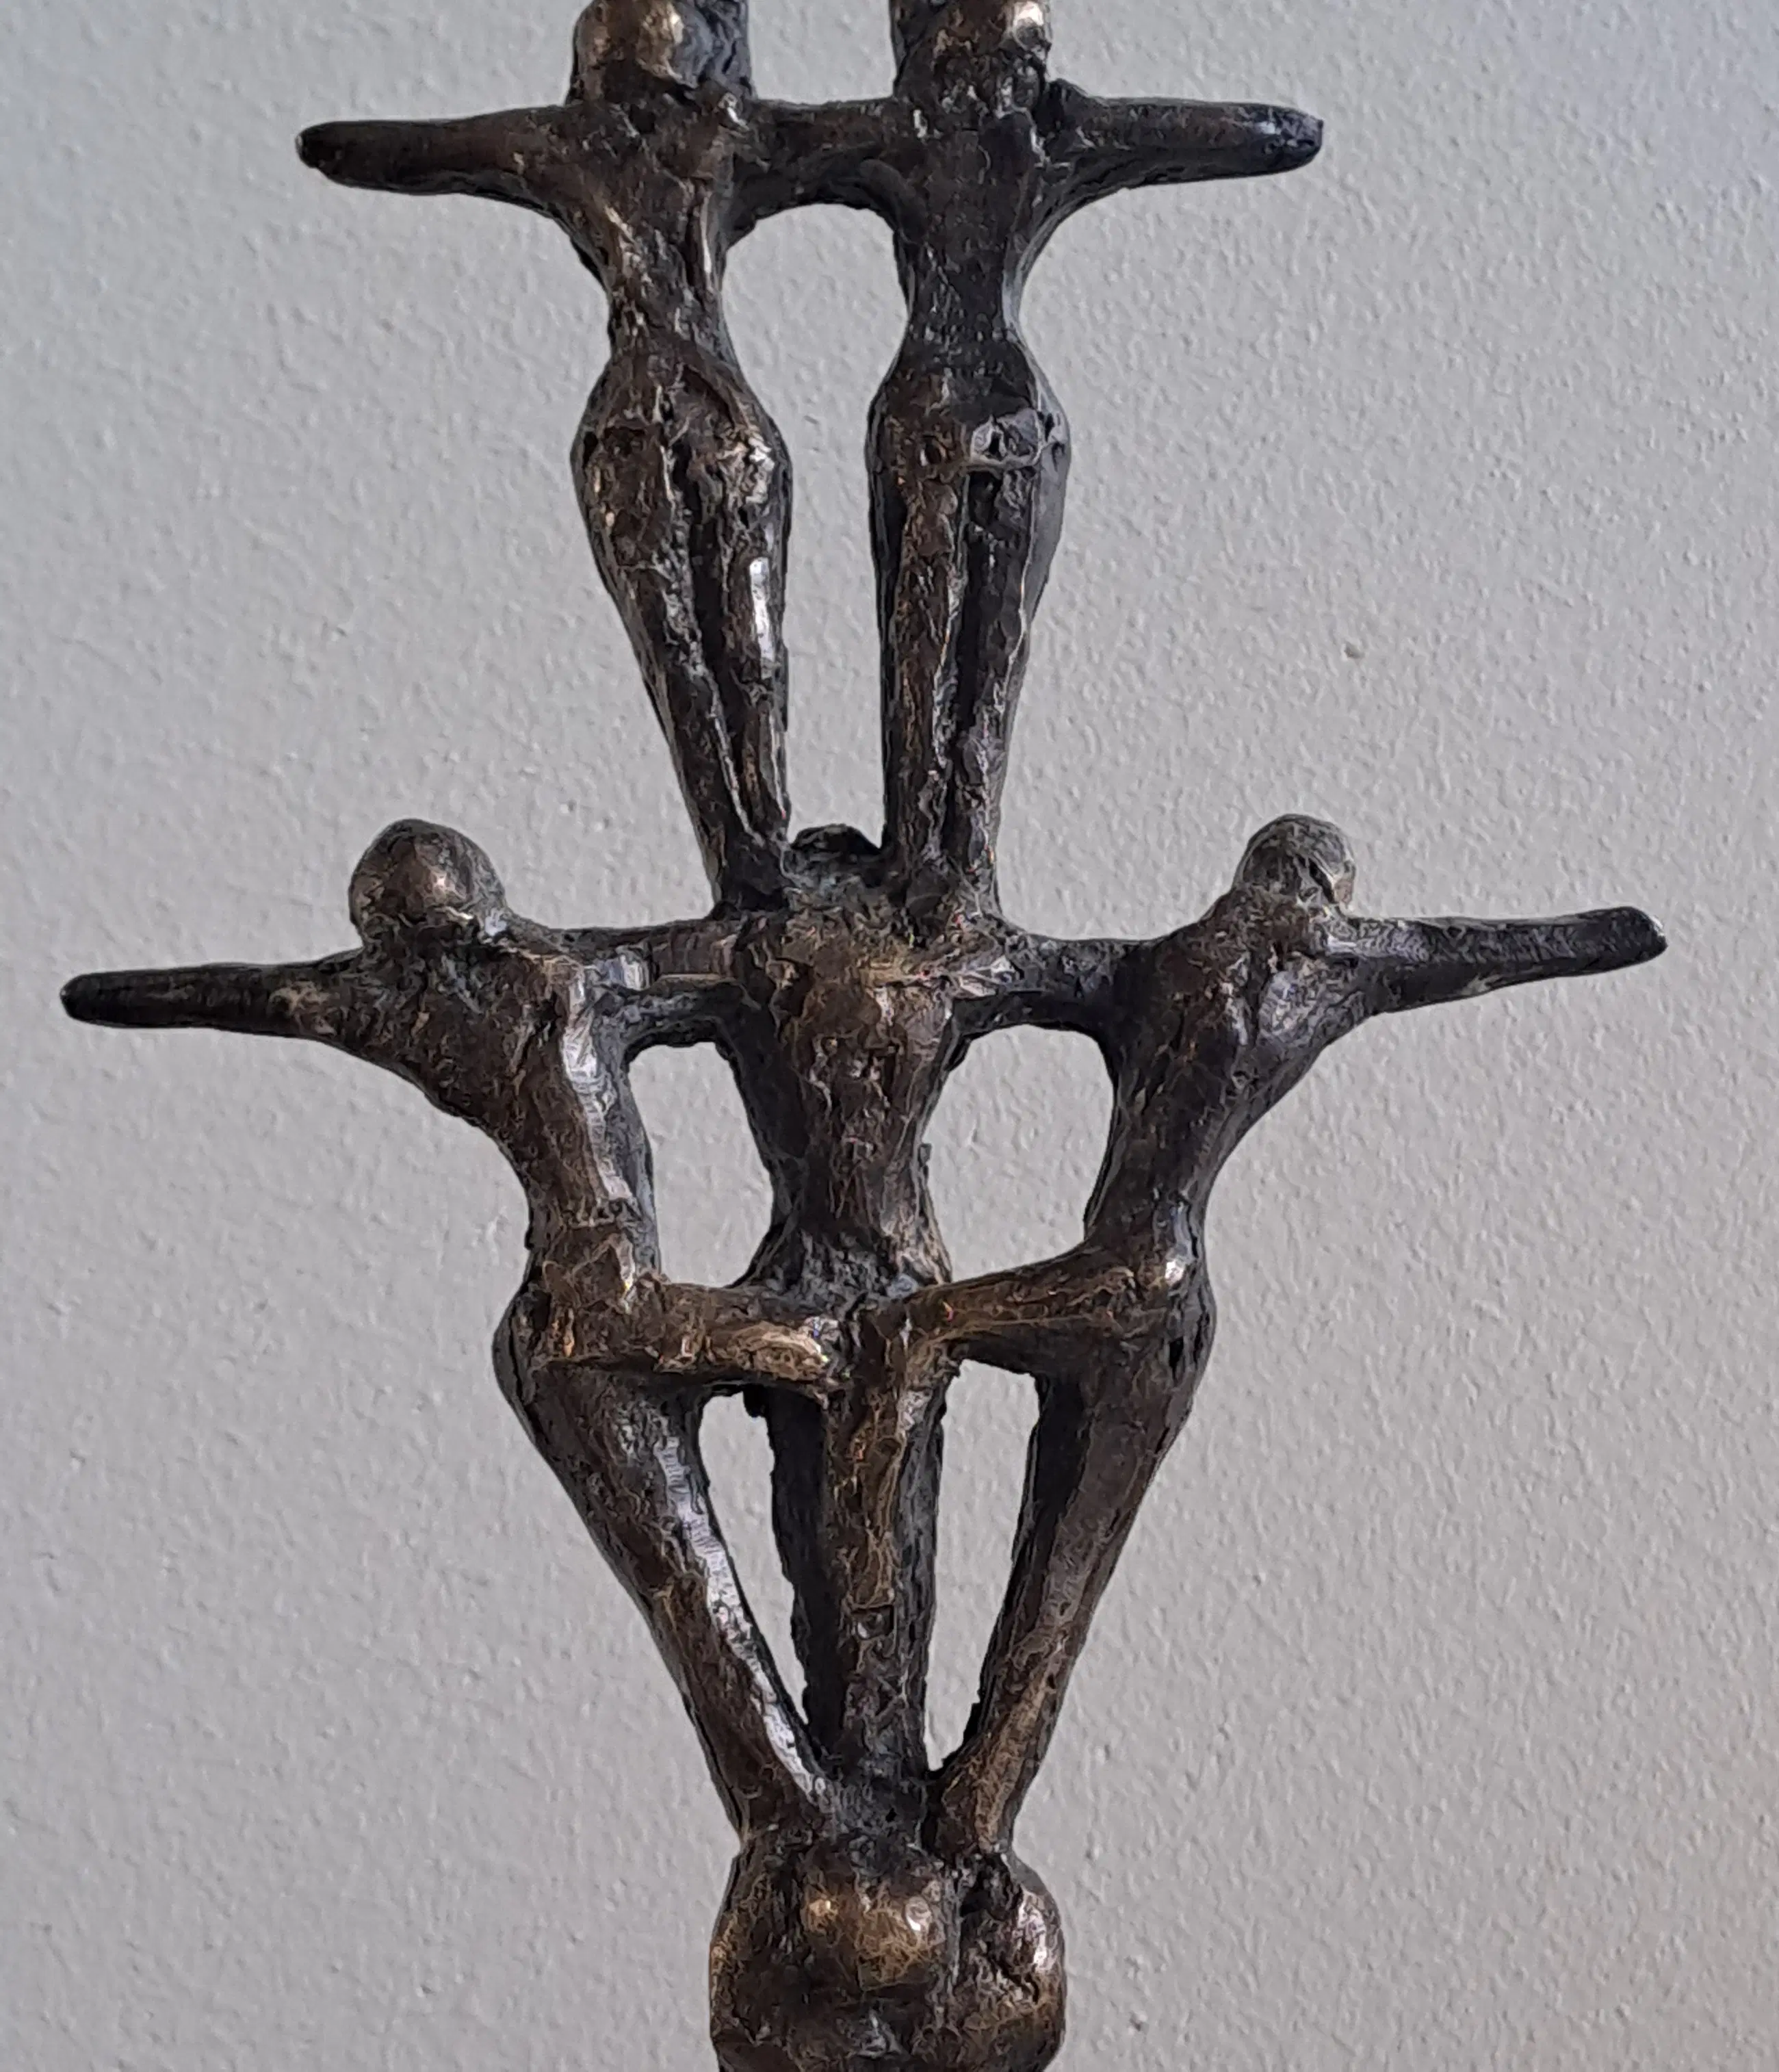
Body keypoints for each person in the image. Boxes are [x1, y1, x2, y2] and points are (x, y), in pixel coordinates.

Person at [63, 818, 840, 1834]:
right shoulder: (572, 975)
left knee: (691, 1594)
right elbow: (753, 954)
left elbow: (238, 992)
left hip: (573, 1326)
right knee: (715, 1556)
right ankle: (806, 1819)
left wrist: (108, 994)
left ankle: (807, 1815)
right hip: (605, 1320)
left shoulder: (396, 999)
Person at [900, 816, 1664, 1850]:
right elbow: (1477, 947)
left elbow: (1002, 970)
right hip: (1156, 1289)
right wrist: (1611, 933)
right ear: (1330, 889)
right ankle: (972, 1811)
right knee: (1059, 1582)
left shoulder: (1153, 965)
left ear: (1251, 873)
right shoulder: (1337, 963)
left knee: (926, 1360)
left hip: (1120, 1280)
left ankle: (962, 1809)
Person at [300, 3, 853, 909]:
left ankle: (757, 857)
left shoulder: (634, 140)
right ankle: (752, 864)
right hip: (680, 416)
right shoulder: (690, 137)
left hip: (671, 414)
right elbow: (379, 150)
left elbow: (383, 149)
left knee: (714, 654)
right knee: (708, 655)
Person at [796, 1, 1323, 908]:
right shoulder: (1045, 132)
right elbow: (1281, 135)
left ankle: (936, 868)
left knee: (936, 646)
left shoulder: (898, 133)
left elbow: (746, 145)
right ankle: (947, 870)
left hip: (935, 405)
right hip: (1003, 409)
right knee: (976, 651)